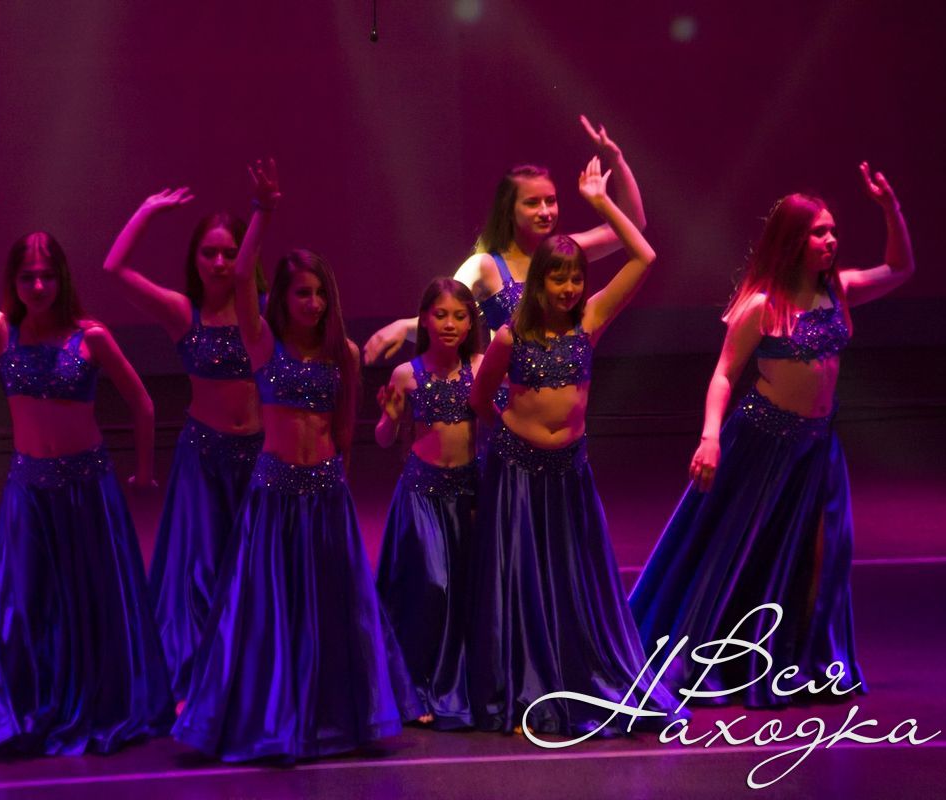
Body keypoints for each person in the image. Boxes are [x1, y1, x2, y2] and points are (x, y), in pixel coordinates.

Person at [629, 163, 914, 707]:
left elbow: (901, 268)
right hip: (763, 444)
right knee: (742, 554)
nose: (831, 240)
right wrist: (710, 437)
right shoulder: (763, 305)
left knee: (824, 557)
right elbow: (723, 374)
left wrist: (889, 209)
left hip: (819, 448)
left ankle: (808, 662)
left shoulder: (840, 290)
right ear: (793, 241)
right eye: (819, 232)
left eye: (833, 231)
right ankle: (725, 657)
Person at [173, 160, 418, 762]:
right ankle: (268, 716)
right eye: (301, 292)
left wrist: (340, 488)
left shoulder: (345, 354)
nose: (312, 302)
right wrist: (263, 211)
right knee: (267, 611)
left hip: (326, 493)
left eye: (319, 293)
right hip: (274, 495)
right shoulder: (263, 344)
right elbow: (238, 281)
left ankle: (335, 713)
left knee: (333, 610)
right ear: (281, 298)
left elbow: (344, 429)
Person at [0, 202, 173, 755]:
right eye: (27, 276)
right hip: (29, 492)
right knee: (21, 605)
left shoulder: (90, 337)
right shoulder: (1, 331)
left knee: (89, 602)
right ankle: (13, 706)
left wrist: (145, 471)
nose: (37, 285)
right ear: (14, 280)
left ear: (62, 279)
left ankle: (93, 701)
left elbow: (143, 403)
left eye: (47, 276)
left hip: (87, 491)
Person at [468, 157, 676, 735]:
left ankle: (580, 678)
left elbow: (644, 257)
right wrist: (514, 441)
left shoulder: (590, 320)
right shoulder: (511, 335)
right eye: (557, 279)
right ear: (537, 282)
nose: (567, 289)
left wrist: (602, 202)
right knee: (521, 584)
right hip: (517, 474)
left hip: (569, 475)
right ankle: (524, 691)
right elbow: (481, 398)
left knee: (572, 581)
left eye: (576, 279)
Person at [103, 190, 266, 706]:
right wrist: (147, 210)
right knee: (198, 576)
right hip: (203, 458)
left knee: (253, 568)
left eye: (229, 252)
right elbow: (115, 269)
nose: (219, 262)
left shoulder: (263, 313)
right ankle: (198, 679)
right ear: (194, 259)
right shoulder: (183, 312)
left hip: (259, 456)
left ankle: (249, 675)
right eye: (208, 253)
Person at [364, 116, 647, 364]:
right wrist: (403, 326)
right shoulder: (484, 266)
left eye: (550, 201)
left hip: (563, 390)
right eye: (532, 203)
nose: (545, 211)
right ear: (509, 210)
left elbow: (633, 226)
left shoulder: (566, 252)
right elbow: (444, 316)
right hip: (506, 399)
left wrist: (617, 160)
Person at [374, 277, 484, 729]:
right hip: (421, 494)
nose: (450, 324)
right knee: (431, 587)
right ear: (423, 320)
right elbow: (384, 439)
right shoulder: (407, 373)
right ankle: (414, 685)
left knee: (462, 593)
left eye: (459, 316)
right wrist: (389, 418)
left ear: (471, 322)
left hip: (467, 494)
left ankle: (453, 682)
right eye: (441, 315)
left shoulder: (480, 367)